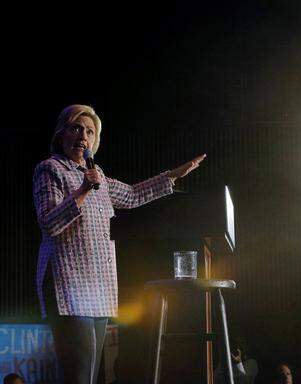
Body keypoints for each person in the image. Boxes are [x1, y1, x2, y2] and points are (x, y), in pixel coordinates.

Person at [33, 104, 205, 384]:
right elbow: (49, 222)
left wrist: (173, 176)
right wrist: (83, 190)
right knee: (77, 376)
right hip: (68, 283)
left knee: (91, 375)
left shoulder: (98, 175)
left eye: (89, 131)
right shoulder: (50, 169)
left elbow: (134, 195)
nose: (83, 136)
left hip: (99, 285)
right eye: (76, 128)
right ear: (61, 133)